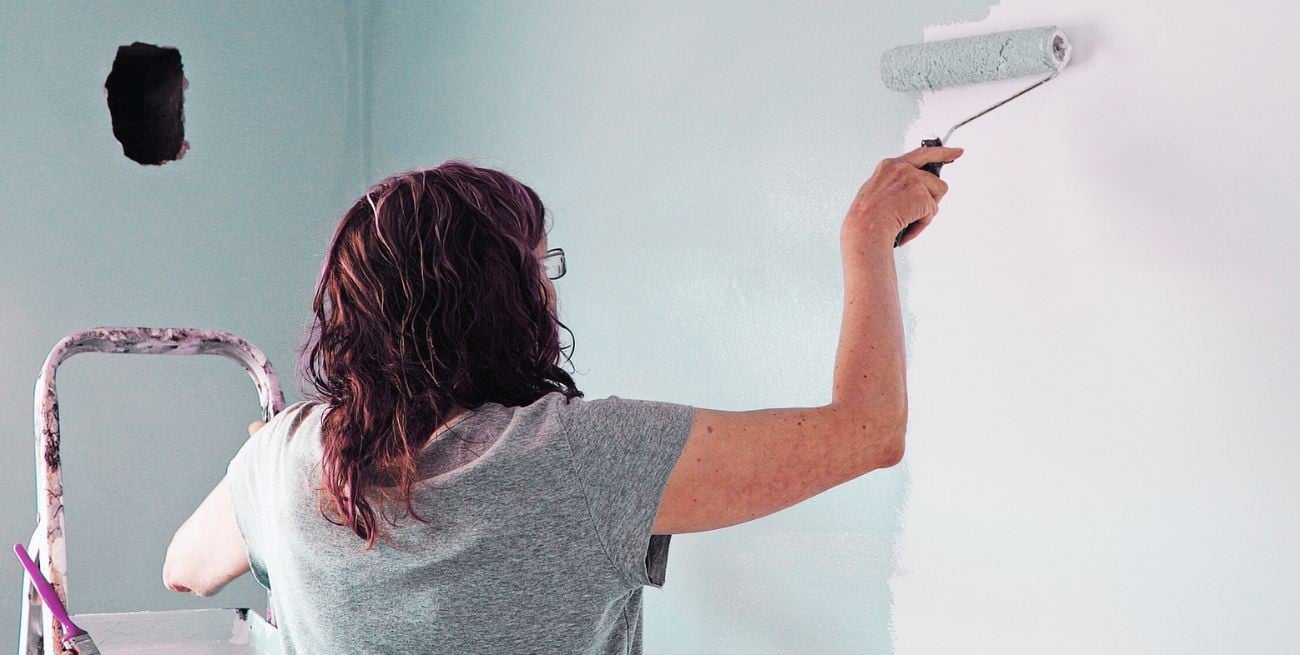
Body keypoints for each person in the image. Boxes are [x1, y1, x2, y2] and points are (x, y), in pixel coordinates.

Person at [161, 146, 962, 654]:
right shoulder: (579, 457)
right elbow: (868, 431)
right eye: (540, 269)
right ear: (500, 299)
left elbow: (185, 570)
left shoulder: (287, 458)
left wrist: (270, 472)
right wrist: (867, 236)